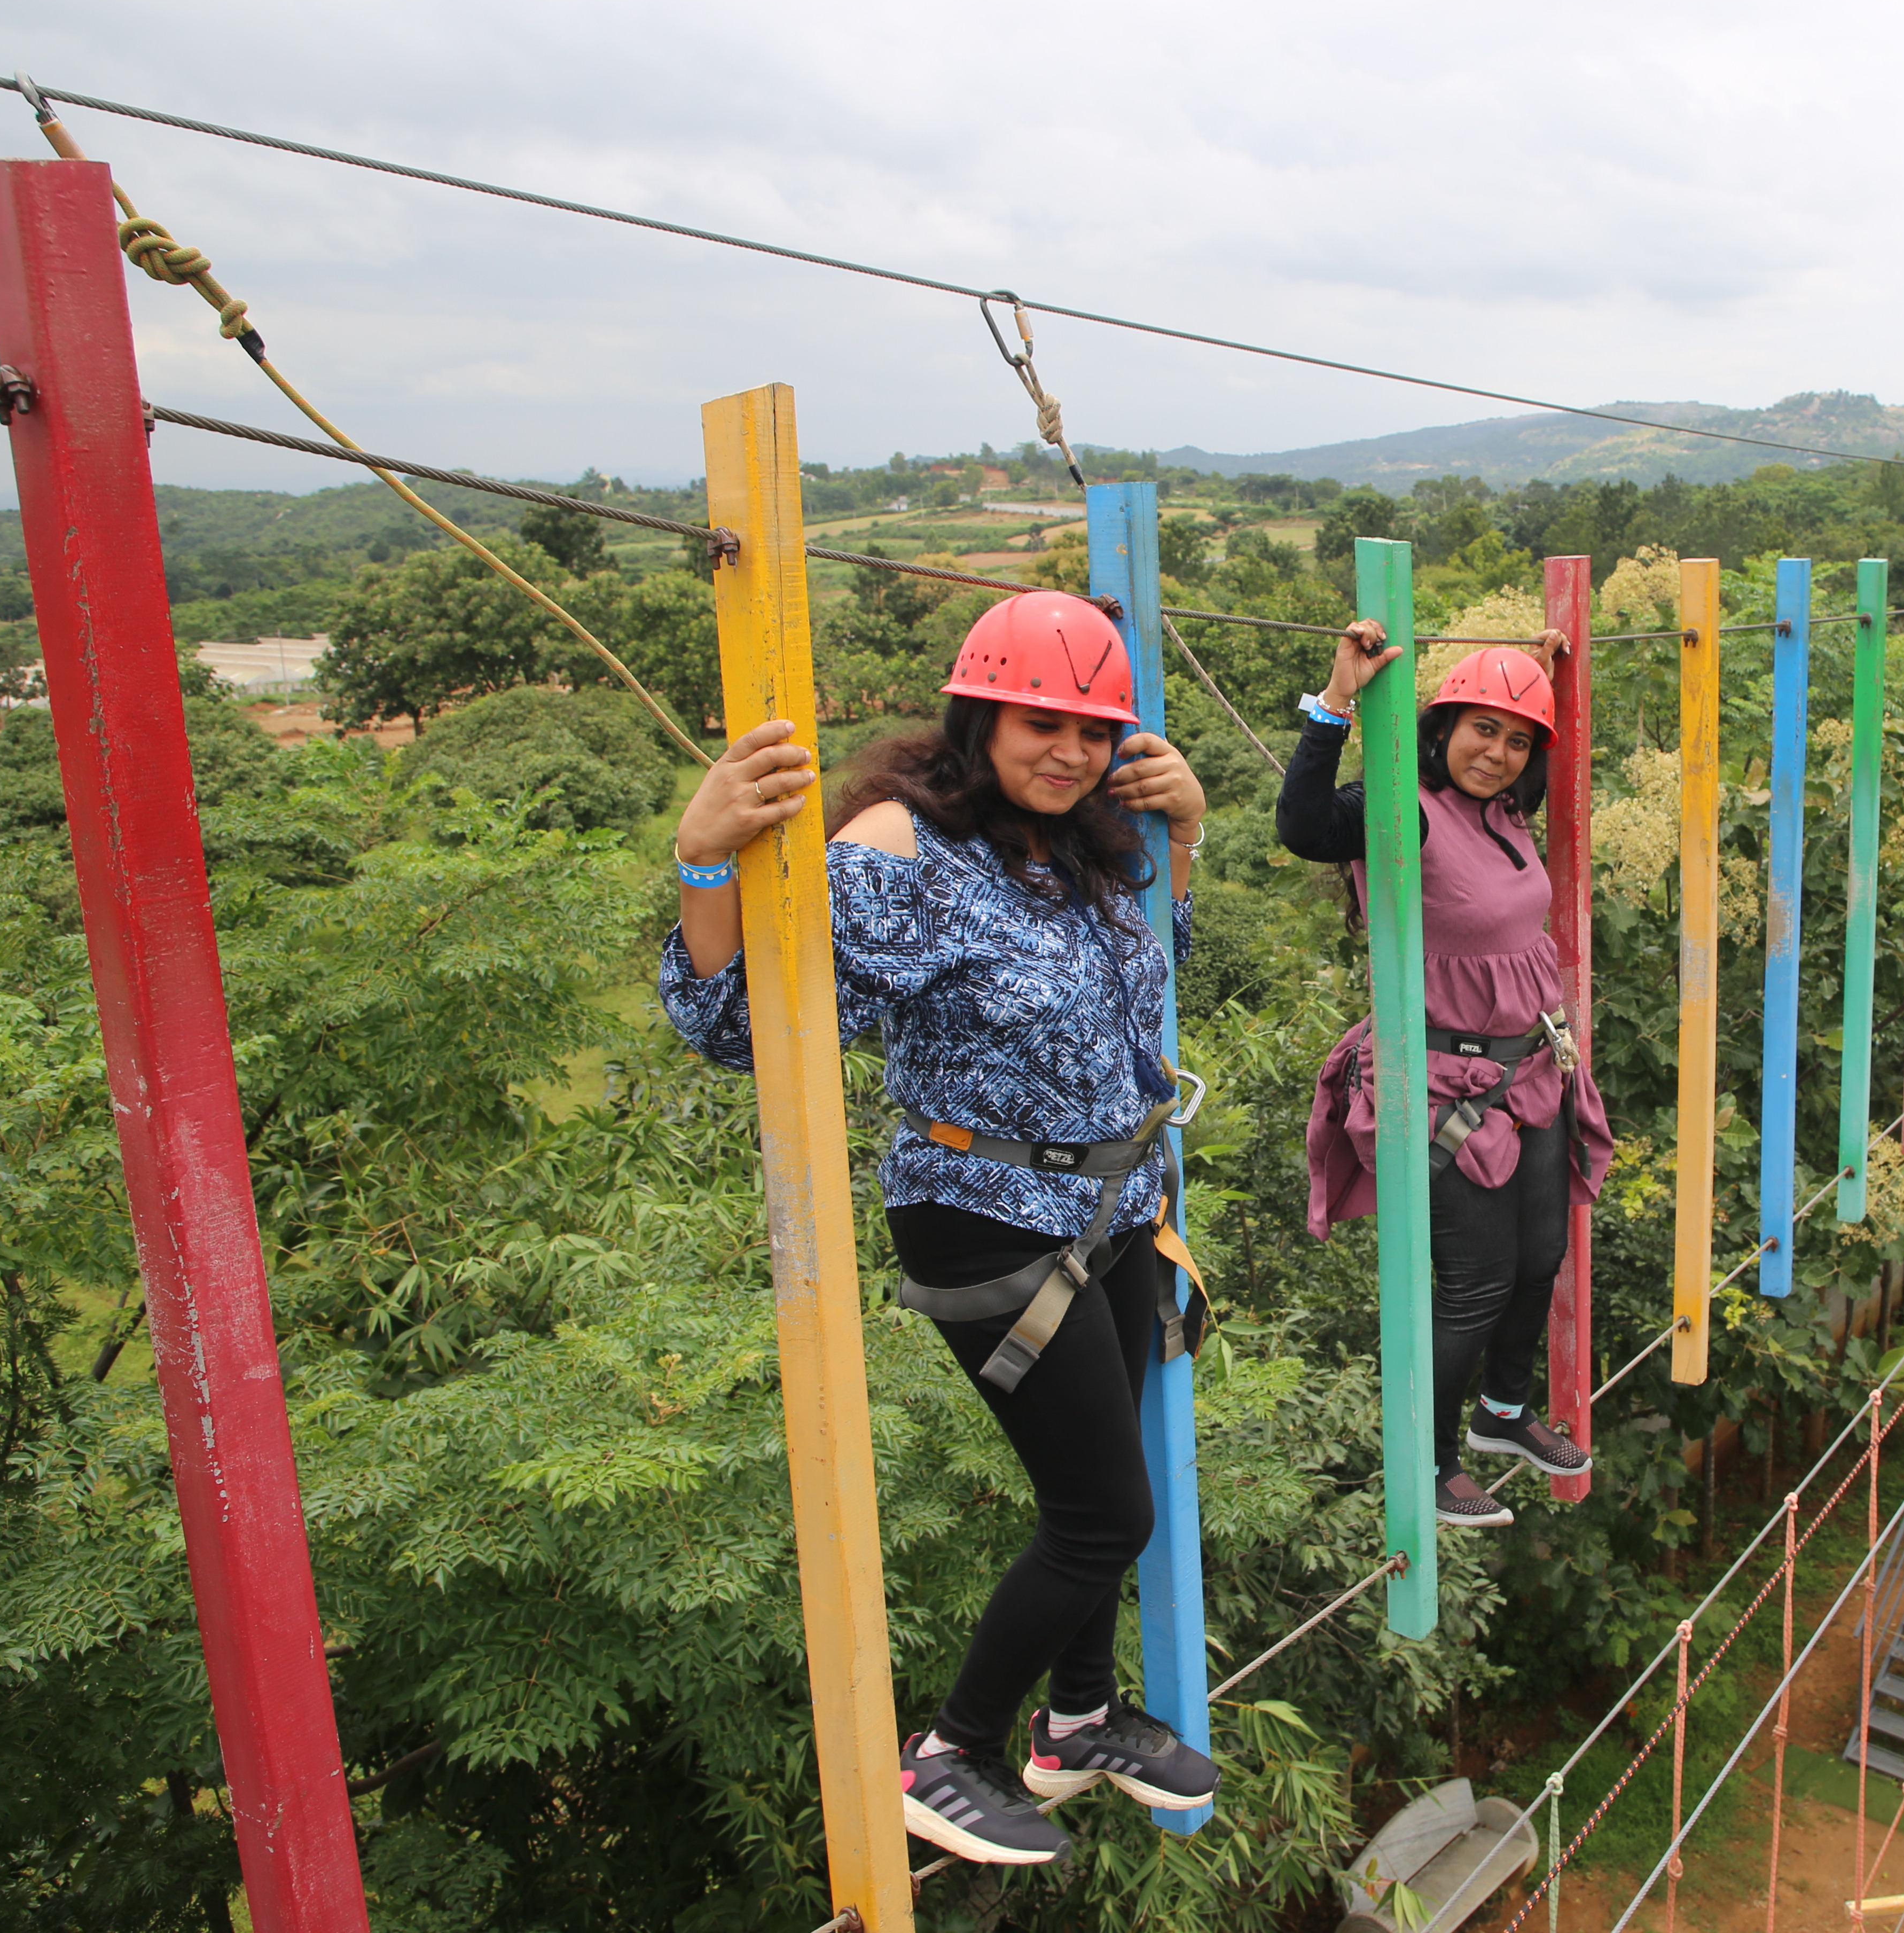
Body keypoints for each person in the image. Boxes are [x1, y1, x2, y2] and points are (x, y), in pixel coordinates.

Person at [660, 591, 1220, 1867]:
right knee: (1101, 1513)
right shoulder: (898, 849)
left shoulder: (1076, 838)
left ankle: (1075, 1717)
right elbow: (739, 1032)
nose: (1069, 753)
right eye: (1041, 723)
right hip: (986, 1216)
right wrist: (704, 863)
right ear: (979, 713)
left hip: (1112, 1202)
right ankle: (949, 1753)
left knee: (1106, 1474)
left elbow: (1148, 975)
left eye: (1093, 731)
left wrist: (1178, 832)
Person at [1277, 626, 1615, 1529]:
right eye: (1478, 730)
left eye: (1515, 741)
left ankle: (1504, 1412)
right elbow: (1303, 825)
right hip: (1444, 1082)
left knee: (1541, 1252)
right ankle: (1427, 1461)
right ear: (1438, 729)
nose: (1496, 754)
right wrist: (1335, 703)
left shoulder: (1504, 816)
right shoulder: (1406, 808)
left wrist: (1537, 666)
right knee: (1475, 1277)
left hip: (1530, 1066)